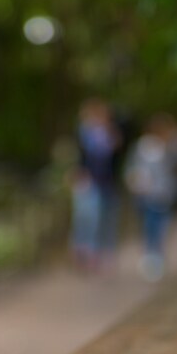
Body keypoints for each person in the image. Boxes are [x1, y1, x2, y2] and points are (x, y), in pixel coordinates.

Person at [124, 114, 177, 281]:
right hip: (147, 194)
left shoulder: (170, 148)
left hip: (164, 195)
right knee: (150, 226)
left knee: (162, 227)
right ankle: (151, 258)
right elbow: (131, 169)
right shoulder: (141, 148)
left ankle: (157, 257)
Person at [72, 98, 124, 271]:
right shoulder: (84, 134)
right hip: (90, 181)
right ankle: (87, 252)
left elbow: (116, 158)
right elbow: (81, 158)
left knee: (107, 218)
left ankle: (103, 253)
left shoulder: (112, 134)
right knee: (89, 217)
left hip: (108, 182)